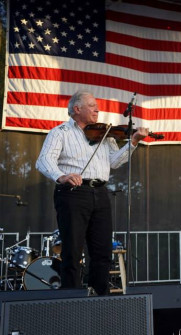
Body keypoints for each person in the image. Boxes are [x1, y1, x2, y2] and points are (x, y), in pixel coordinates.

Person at [36, 89, 149, 295]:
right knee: (72, 250)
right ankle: (70, 296)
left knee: (102, 251)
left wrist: (133, 142)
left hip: (100, 193)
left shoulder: (105, 134)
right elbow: (43, 161)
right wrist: (62, 176)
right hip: (73, 193)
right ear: (77, 109)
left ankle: (100, 297)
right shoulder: (60, 132)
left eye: (96, 106)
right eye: (91, 105)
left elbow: (114, 162)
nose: (97, 109)